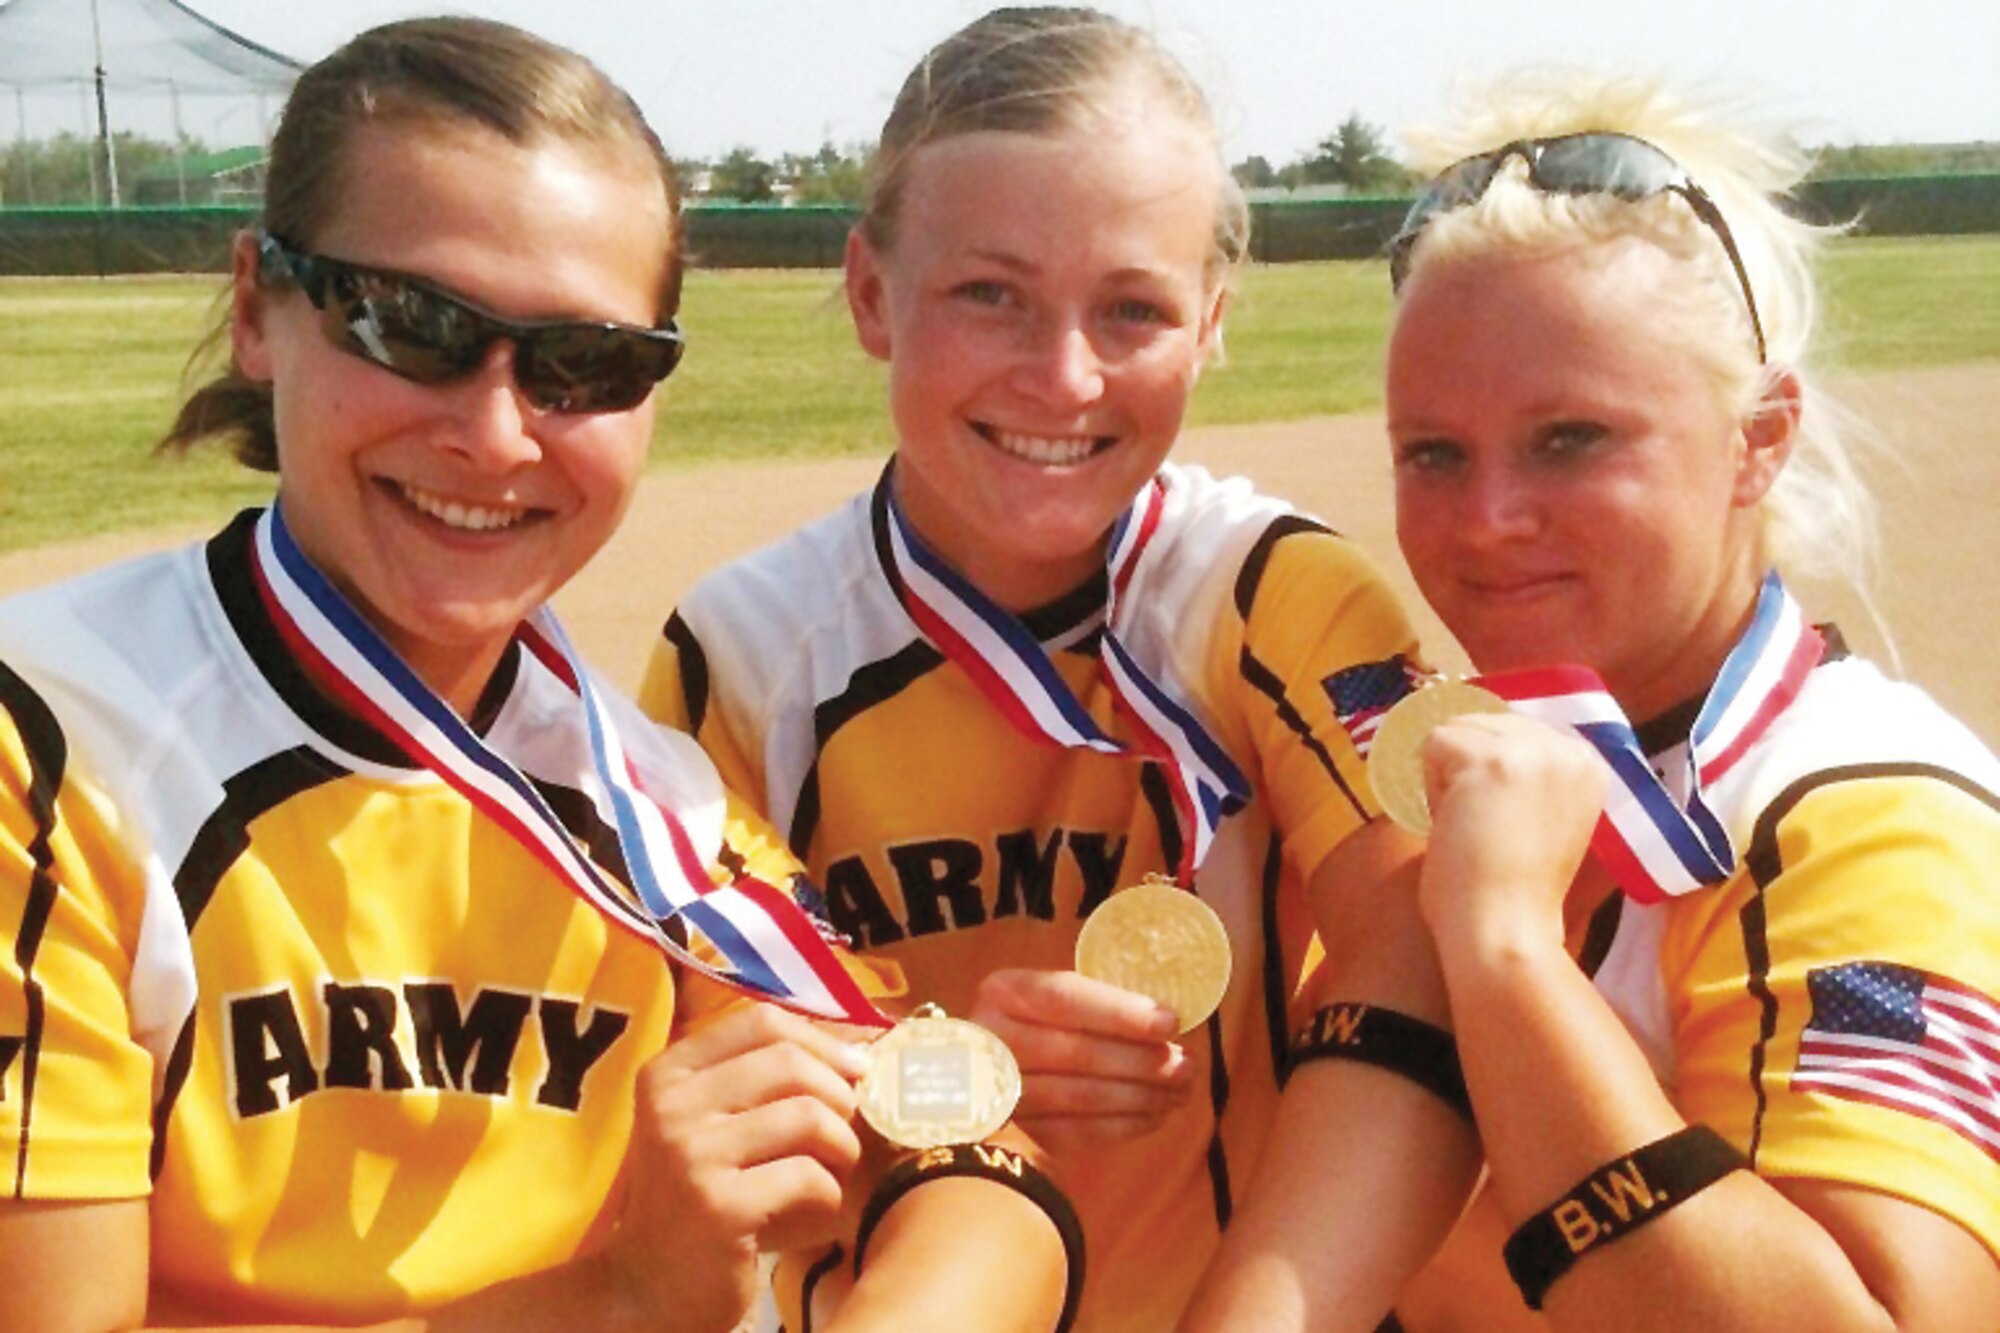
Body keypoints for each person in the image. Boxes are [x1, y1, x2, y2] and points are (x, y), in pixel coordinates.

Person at [0, 18, 1073, 1331]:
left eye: (587, 364)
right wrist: (618, 1298)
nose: (497, 432)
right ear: (254, 311)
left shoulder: (651, 809)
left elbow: (979, 1159)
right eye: (410, 323)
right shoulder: (47, 744)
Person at [639, 9, 1478, 1331]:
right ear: (870, 293)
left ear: (1209, 324)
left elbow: (1421, 970)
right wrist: (952, 1067)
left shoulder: (1278, 598)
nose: (1064, 374)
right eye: (991, 293)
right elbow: (746, 1101)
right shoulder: (737, 658)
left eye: (1133, 309)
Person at [1366, 73, 2000, 1329]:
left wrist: (1501, 958)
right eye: (1432, 452)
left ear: (1756, 437)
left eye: (1570, 439)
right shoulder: (1449, 757)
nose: (1485, 521)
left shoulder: (1866, 812)